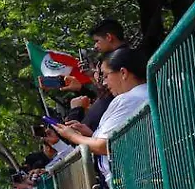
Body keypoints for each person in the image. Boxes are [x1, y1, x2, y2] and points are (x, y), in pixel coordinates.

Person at [56, 46, 151, 180]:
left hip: (137, 182)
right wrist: (90, 134)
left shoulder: (128, 99)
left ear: (123, 72)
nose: (105, 82)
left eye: (106, 76)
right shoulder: (148, 93)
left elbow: (105, 145)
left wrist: (72, 136)